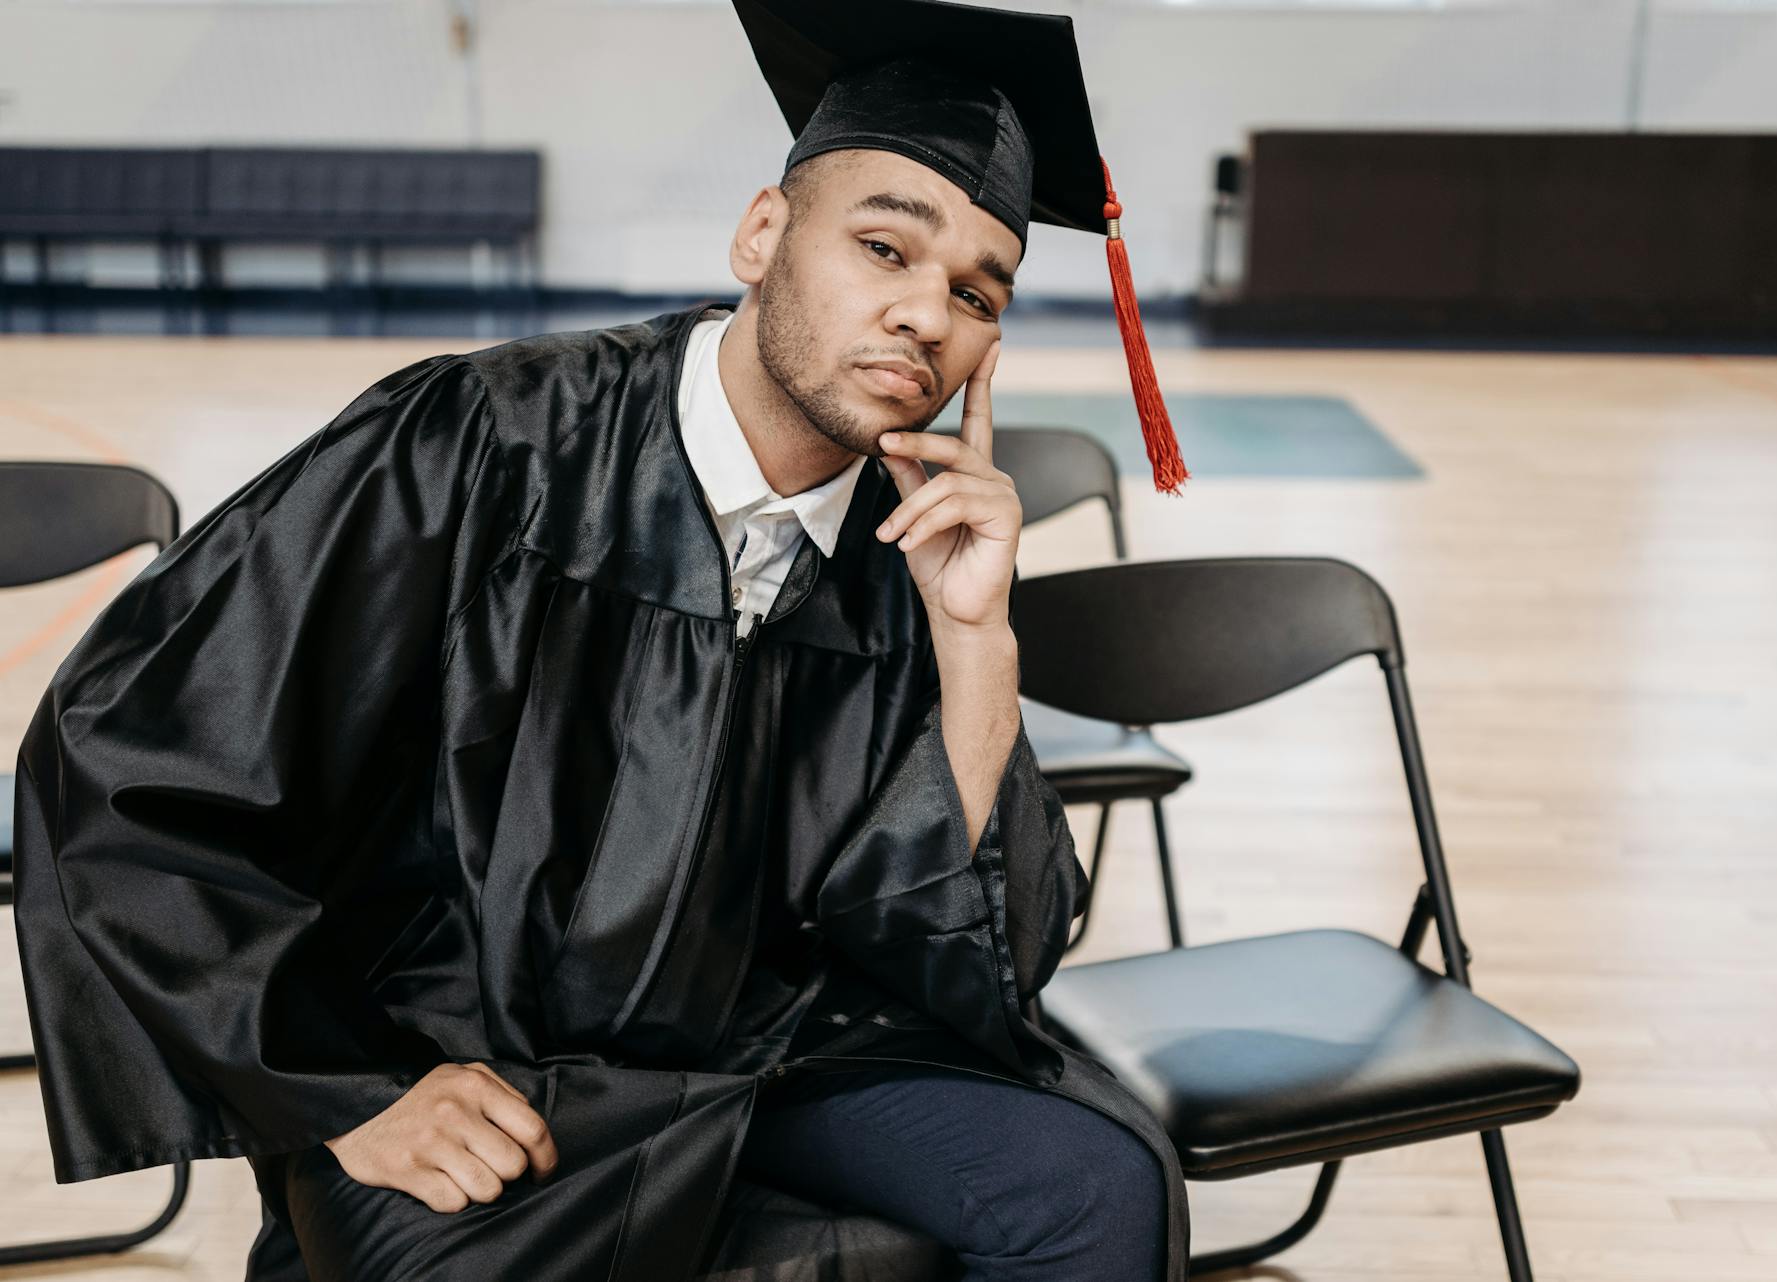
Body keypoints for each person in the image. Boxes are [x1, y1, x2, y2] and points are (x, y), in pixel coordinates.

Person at [10, 1, 1193, 1278]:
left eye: (972, 290)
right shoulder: (479, 442)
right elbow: (129, 752)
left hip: (767, 1049)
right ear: (762, 233)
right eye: (883, 247)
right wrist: (348, 1093)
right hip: (473, 1061)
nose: (923, 313)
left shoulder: (913, 544)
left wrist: (979, 653)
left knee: (1095, 1184)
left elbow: (968, 956)